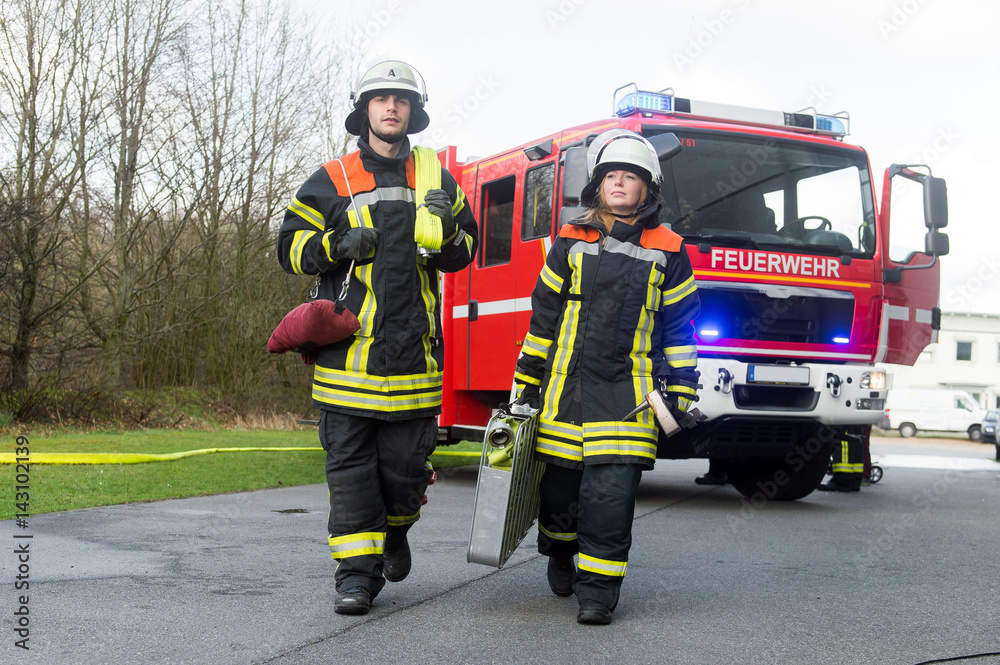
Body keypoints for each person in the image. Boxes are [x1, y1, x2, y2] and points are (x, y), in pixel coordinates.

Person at [275, 60, 478, 615]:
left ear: (413, 111)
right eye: (381, 99)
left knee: (405, 476)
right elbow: (288, 249)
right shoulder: (332, 178)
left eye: (401, 100)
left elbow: (464, 253)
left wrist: (450, 230)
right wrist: (335, 246)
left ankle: (396, 531)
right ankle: (355, 579)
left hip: (415, 362)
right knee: (350, 476)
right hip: (348, 364)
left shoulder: (438, 179)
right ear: (364, 110)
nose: (391, 107)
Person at [512, 129, 700, 625]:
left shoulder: (671, 249)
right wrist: (526, 383)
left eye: (630, 176)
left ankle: (597, 593)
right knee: (558, 497)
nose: (619, 183)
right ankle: (559, 551)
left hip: (629, 397)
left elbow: (679, 328)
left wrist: (682, 389)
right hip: (564, 393)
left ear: (647, 188)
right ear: (597, 185)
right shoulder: (570, 240)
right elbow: (543, 319)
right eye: (611, 175)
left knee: (610, 501)